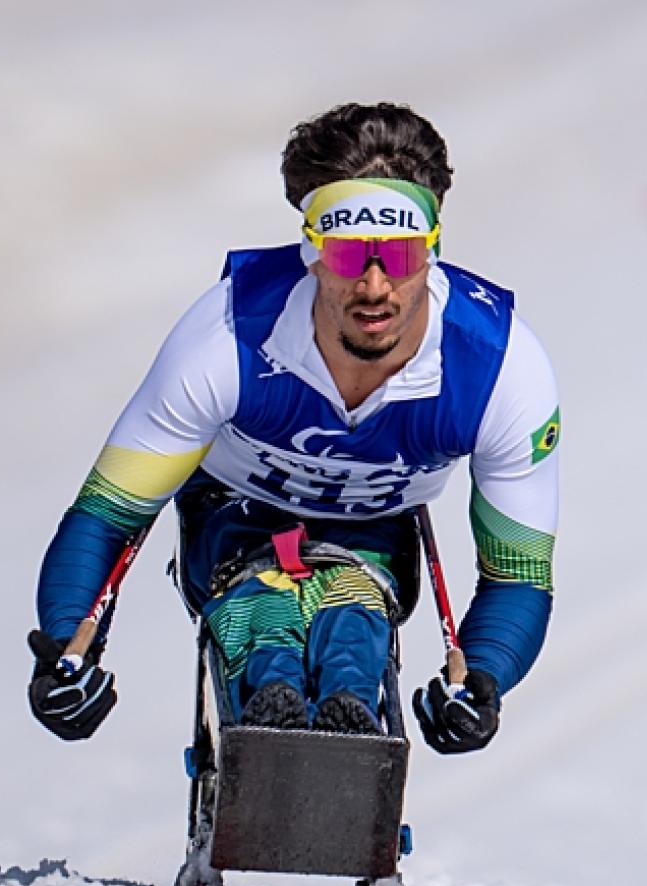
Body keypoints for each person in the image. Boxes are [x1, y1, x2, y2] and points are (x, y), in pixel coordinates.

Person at [28, 101, 559, 754]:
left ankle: (344, 719)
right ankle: (270, 707)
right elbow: (108, 515)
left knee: (352, 621)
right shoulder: (223, 338)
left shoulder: (503, 368)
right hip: (231, 517)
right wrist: (64, 647)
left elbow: (519, 576)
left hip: (372, 538)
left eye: (395, 256)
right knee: (261, 606)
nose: (373, 287)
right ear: (310, 254)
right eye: (346, 257)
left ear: (431, 253)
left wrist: (480, 681)